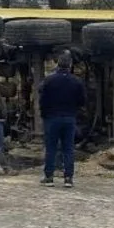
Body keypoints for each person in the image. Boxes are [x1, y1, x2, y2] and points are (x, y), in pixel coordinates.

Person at [38, 53, 86, 188]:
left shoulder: (49, 80)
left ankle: (49, 177)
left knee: (51, 148)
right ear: (70, 65)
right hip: (69, 117)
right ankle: (68, 178)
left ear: (57, 64)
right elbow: (82, 101)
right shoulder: (76, 81)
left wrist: (44, 114)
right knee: (68, 148)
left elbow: (42, 100)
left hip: (52, 118)